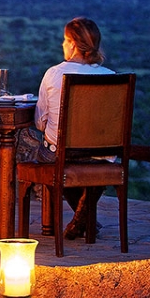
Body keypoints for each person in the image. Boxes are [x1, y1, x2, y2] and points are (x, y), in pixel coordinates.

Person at [33, 16, 115, 240]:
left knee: (47, 158)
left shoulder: (54, 74)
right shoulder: (111, 78)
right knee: (96, 162)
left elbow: (40, 122)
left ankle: (83, 219)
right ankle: (85, 216)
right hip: (101, 155)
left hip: (61, 154)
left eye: (64, 40)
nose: (62, 44)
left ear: (72, 43)